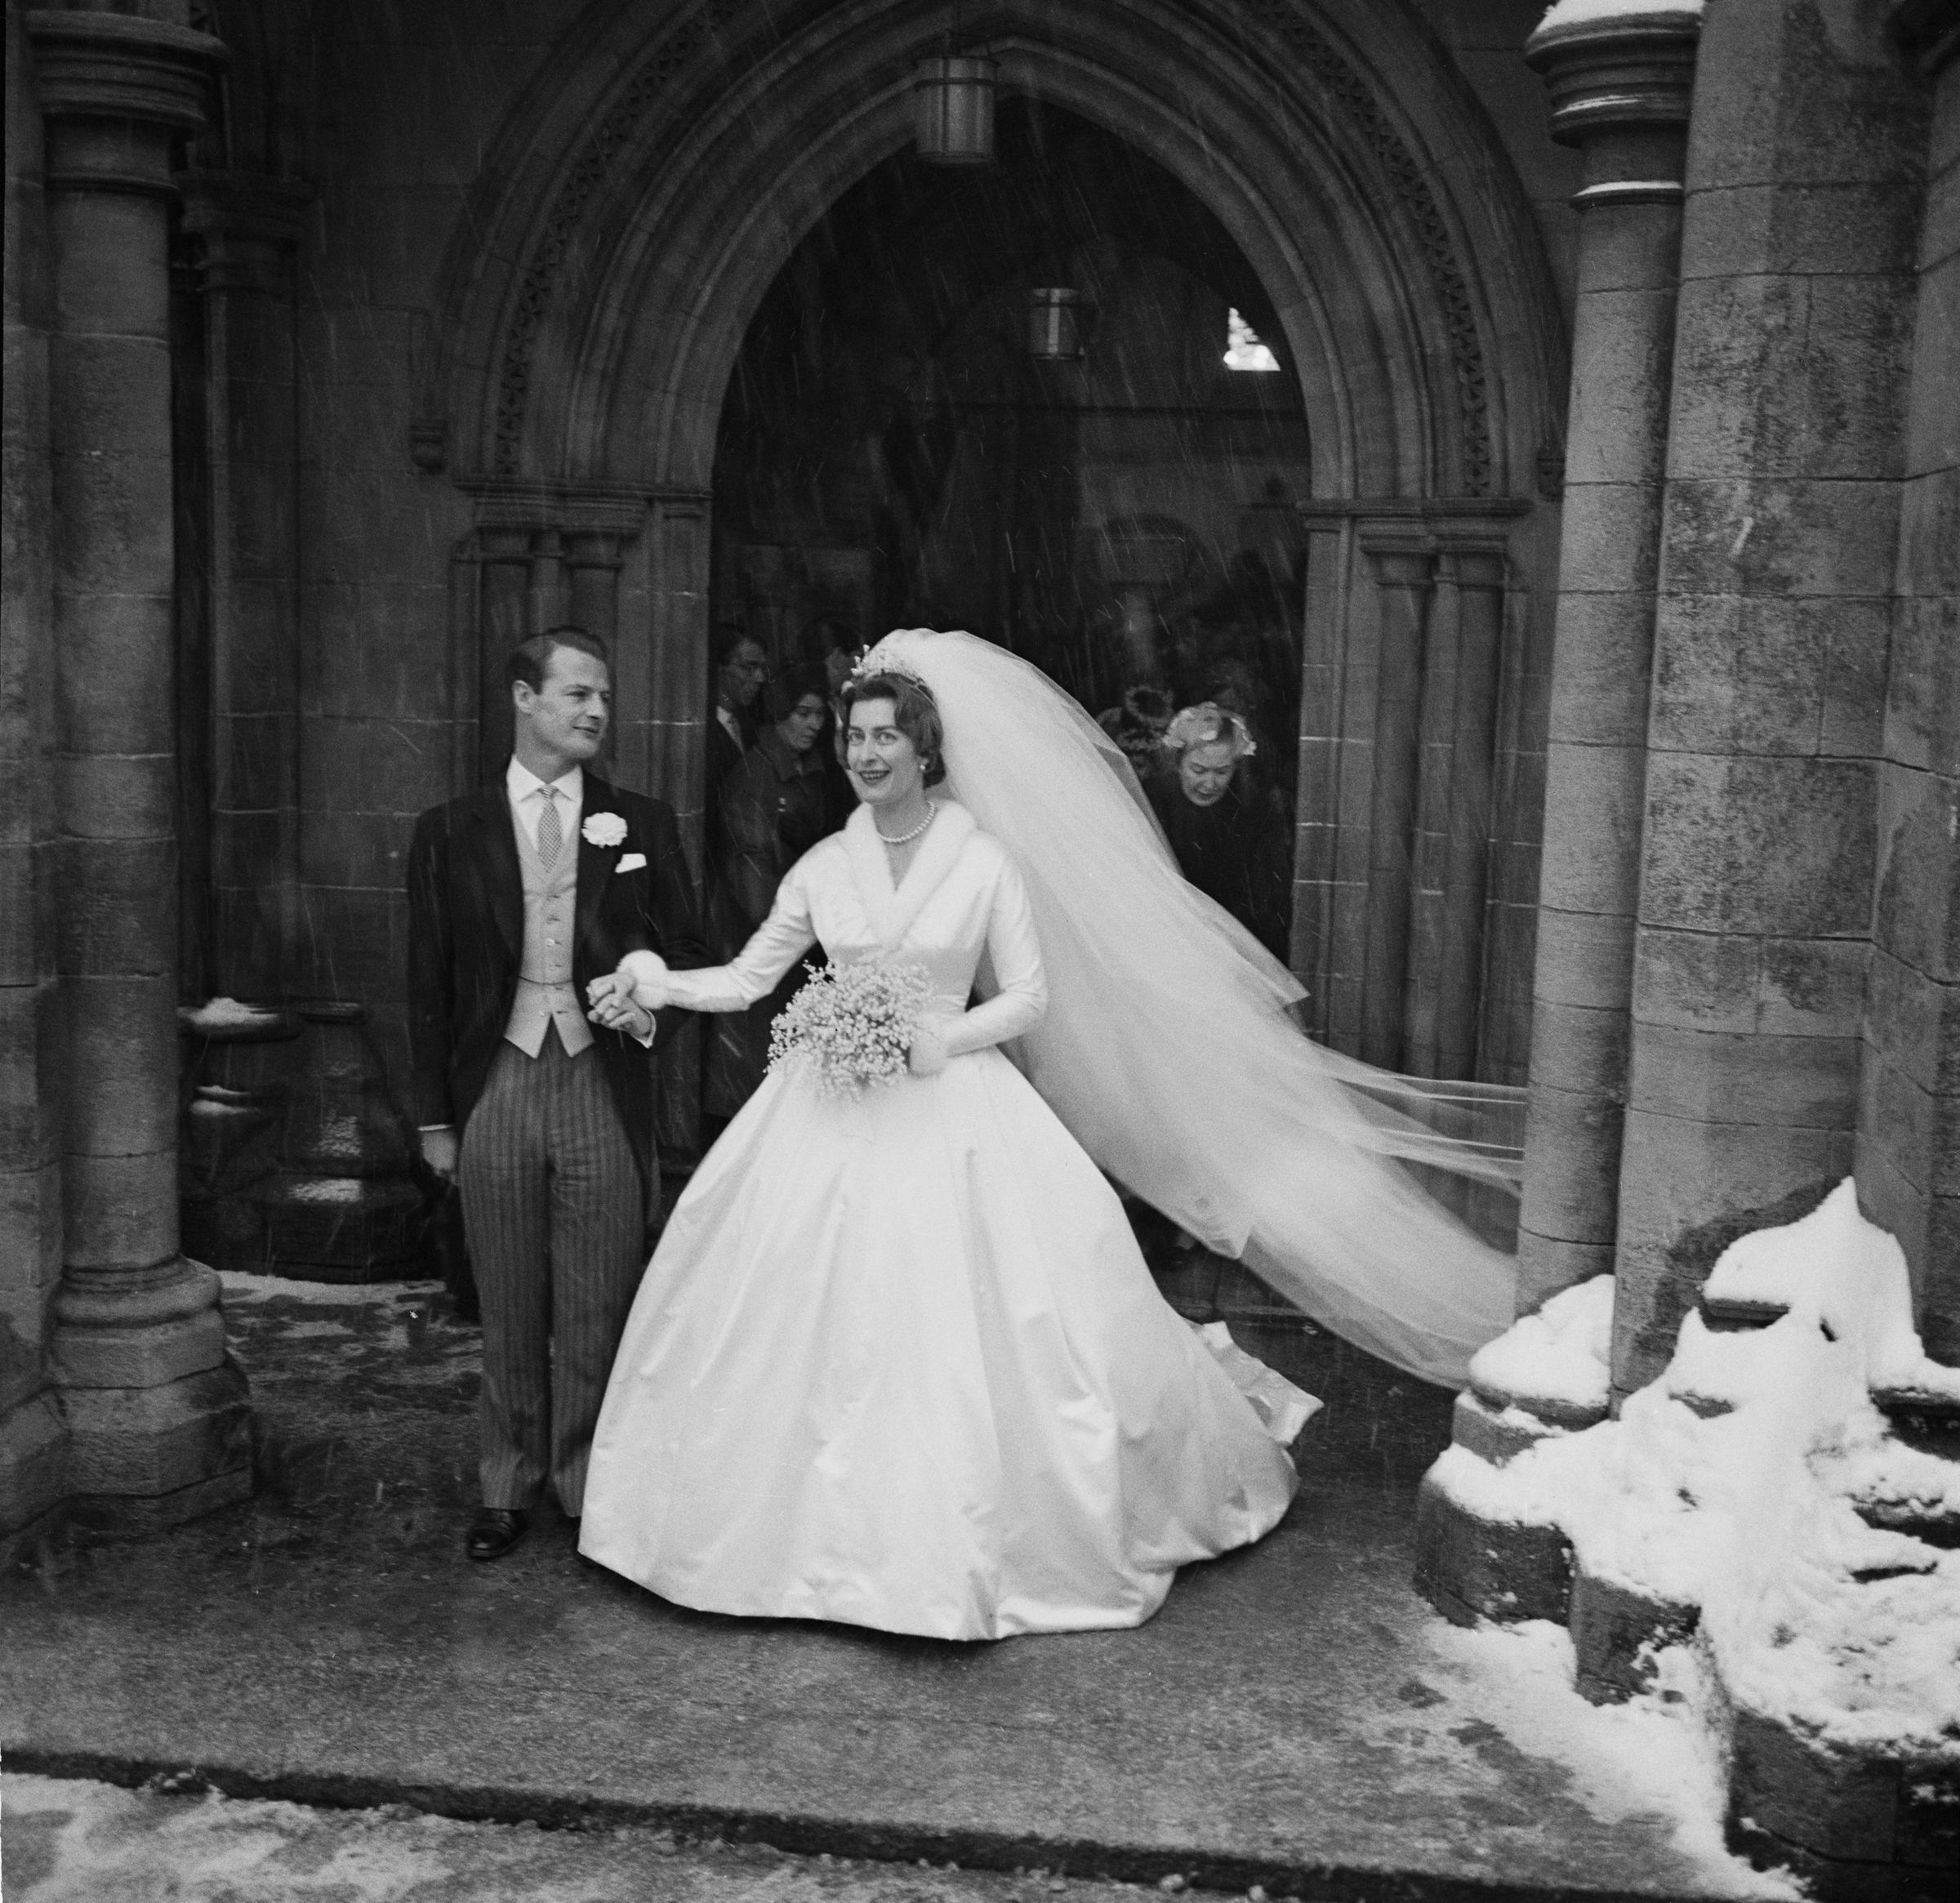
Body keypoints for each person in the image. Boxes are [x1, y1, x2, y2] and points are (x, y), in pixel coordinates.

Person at [578, 657, 1313, 1640]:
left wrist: (945, 1034)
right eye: (854, 737)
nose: (865, 753)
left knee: (970, 1326)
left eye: (885, 736)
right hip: (827, 1103)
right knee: (796, 1322)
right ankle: (801, 1545)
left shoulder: (983, 860)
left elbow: (1027, 996)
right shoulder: (824, 866)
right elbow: (753, 979)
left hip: (952, 1101)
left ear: (926, 750)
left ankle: (945, 1548)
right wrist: (657, 981)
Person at [406, 628, 708, 1563]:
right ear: (524, 699)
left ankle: (584, 1482)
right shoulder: (449, 829)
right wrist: (433, 1117)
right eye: (577, 693)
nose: (595, 711)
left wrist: (646, 1010)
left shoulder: (641, 824)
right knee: (506, 1295)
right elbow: (425, 979)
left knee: (595, 1294)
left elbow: (692, 956)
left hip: (597, 1079)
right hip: (495, 1082)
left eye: (605, 698)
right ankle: (505, 1480)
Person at [702, 665, 847, 1116]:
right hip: (763, 930)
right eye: (802, 713)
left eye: (820, 715)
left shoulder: (812, 768)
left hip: (803, 931)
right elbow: (750, 868)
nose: (814, 724)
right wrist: (803, 928)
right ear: (780, 713)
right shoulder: (755, 776)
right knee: (755, 1055)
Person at [1148, 702, 1293, 962]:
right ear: (1178, 764)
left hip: (1231, 947)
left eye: (1222, 771)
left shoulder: (1253, 812)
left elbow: (1264, 901)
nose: (1210, 783)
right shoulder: (1155, 804)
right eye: (1198, 770)